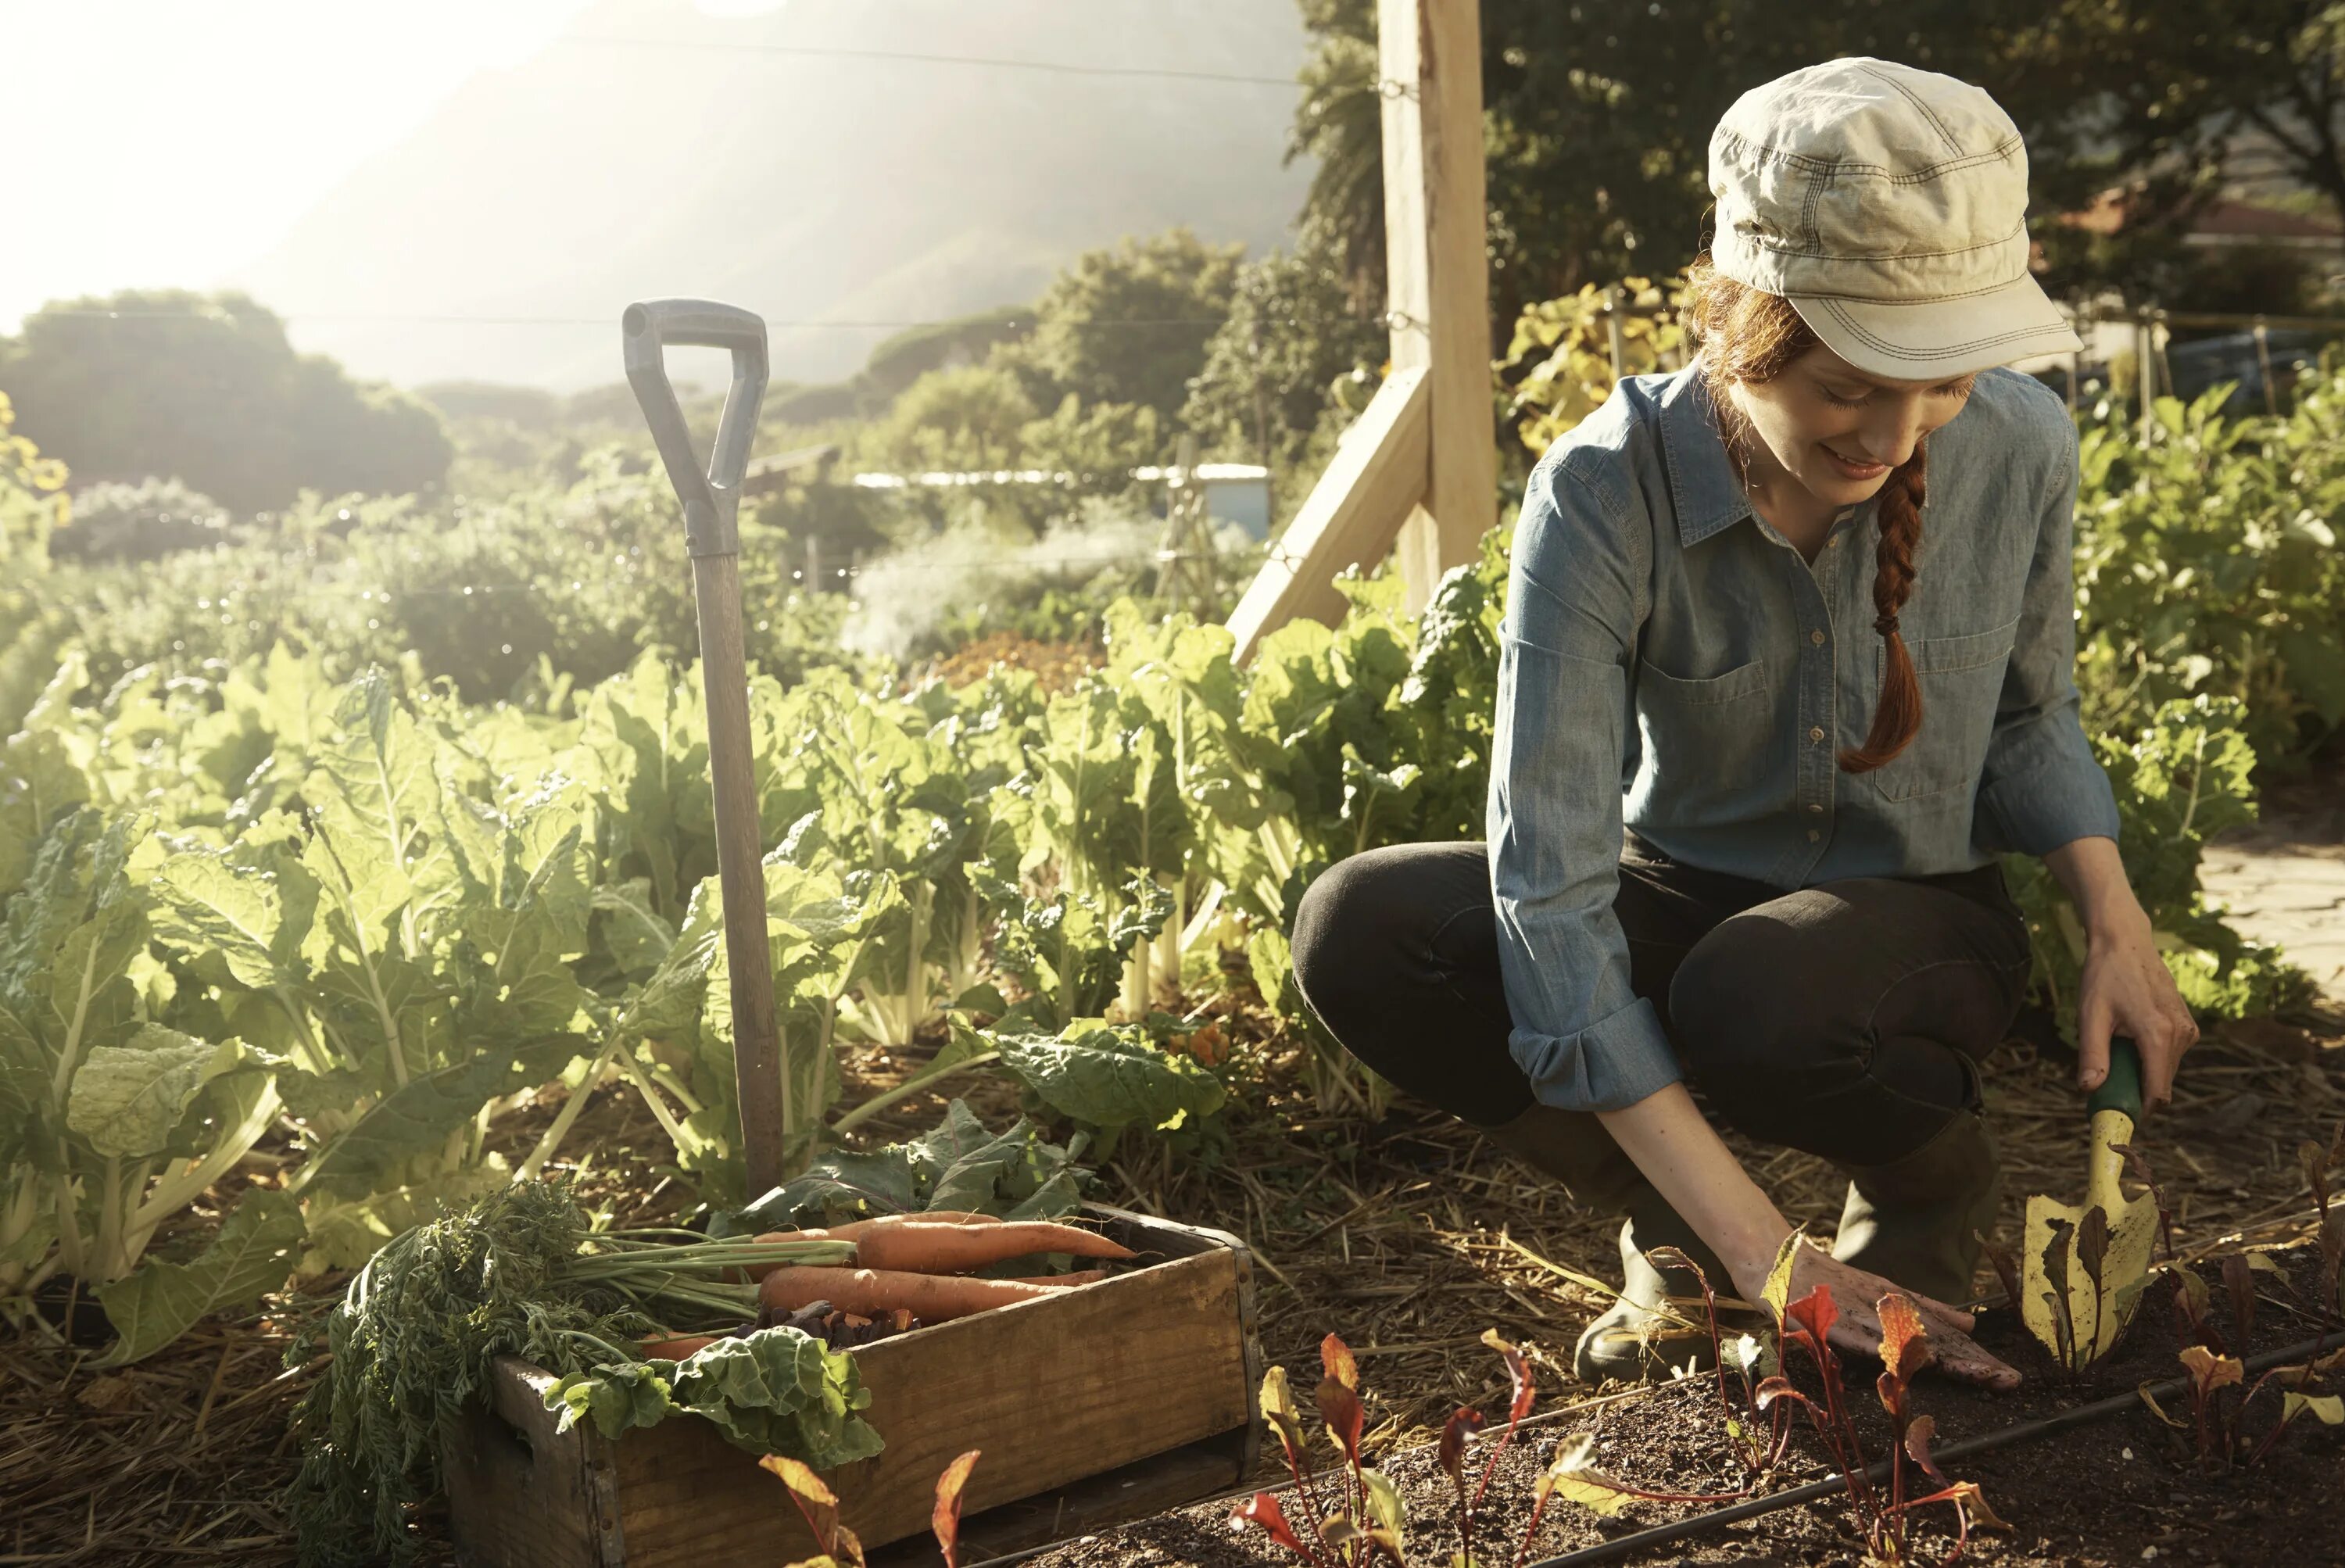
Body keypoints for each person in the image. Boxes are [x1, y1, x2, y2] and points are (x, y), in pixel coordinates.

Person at [1288, 58, 2201, 1390]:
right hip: (1684, 888)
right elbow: (1548, 888)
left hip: (1914, 920)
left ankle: (1924, 1201)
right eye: (1846, 386)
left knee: (1766, 993)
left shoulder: (2022, 446)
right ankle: (1701, 1252)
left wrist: (2116, 923)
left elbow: (2027, 718)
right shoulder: (1606, 490)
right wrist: (1771, 1251)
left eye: (1940, 383)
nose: (1894, 435)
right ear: (1741, 324)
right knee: (1364, 929)